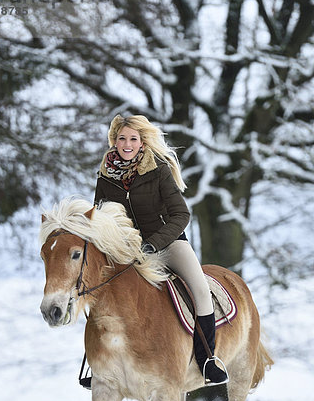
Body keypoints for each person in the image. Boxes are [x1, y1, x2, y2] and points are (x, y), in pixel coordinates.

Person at [94, 114, 228, 385]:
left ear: (142, 143)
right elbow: (100, 215)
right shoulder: (106, 176)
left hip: (168, 243)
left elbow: (181, 214)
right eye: (122, 138)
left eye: (133, 139)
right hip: (128, 250)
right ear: (114, 141)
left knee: (200, 289)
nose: (127, 144)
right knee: (100, 291)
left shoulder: (158, 170)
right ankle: (96, 365)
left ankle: (207, 360)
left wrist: (154, 243)